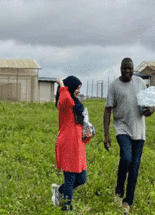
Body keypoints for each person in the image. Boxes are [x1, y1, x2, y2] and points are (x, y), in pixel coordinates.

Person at [104, 58, 155, 214]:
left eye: (130, 68)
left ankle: (127, 202)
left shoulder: (140, 82)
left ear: (133, 69)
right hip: (122, 128)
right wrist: (106, 135)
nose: (127, 71)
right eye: (124, 68)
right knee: (126, 158)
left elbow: (151, 102)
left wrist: (151, 110)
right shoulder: (114, 86)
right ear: (120, 69)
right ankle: (119, 189)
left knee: (134, 167)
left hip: (139, 131)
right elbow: (107, 110)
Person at [51, 76, 92, 211]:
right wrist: (62, 85)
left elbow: (81, 124)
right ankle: (67, 207)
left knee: (82, 178)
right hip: (68, 145)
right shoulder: (64, 103)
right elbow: (67, 100)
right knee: (70, 178)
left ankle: (60, 190)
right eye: (77, 88)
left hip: (78, 145)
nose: (79, 91)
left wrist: (87, 132)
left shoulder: (77, 105)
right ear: (70, 88)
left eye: (80, 88)